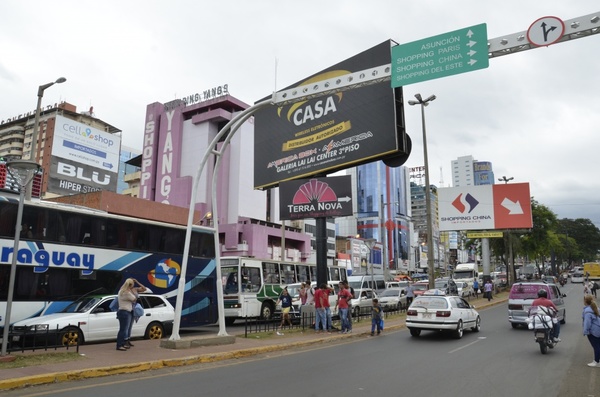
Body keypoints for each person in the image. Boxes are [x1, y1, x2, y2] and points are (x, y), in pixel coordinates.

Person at [124, 278, 149, 348]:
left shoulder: (135, 289)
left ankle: (128, 339)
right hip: (128, 308)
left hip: (134, 309)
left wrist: (137, 281)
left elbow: (144, 289)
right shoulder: (126, 290)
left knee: (130, 326)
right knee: (127, 326)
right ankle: (125, 340)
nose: (132, 284)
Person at [116, 279, 137, 351]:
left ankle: (122, 344)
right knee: (123, 330)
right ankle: (119, 345)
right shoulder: (126, 293)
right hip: (125, 312)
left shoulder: (121, 291)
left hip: (121, 311)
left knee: (123, 329)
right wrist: (131, 291)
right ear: (130, 285)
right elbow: (134, 299)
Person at [582, 294, 600, 367]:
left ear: (585, 301)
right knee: (598, 346)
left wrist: (585, 331)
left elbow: (587, 323)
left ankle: (596, 362)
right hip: (598, 329)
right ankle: (598, 361)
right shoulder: (596, 308)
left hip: (593, 331)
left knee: (596, 346)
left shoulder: (587, 311)